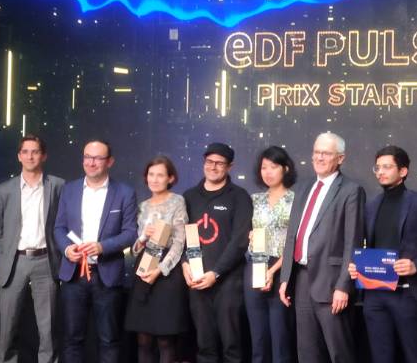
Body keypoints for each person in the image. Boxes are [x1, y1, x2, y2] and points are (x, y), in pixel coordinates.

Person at [348, 145, 417, 363]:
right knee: (380, 356)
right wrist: (356, 265)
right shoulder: (371, 205)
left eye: (387, 167)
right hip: (374, 293)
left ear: (403, 171)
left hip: (408, 293)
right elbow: (366, 245)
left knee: (415, 356)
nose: (380, 172)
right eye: (377, 167)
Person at [279, 132, 365, 363]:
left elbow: (353, 242)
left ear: (340, 158)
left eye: (326, 153)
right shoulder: (302, 188)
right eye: (316, 152)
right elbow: (292, 236)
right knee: (307, 352)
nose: (319, 157)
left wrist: (343, 286)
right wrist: (285, 277)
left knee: (339, 352)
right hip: (301, 280)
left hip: (331, 284)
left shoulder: (351, 190)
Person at [54, 139, 138, 363]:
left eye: (98, 158)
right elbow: (59, 228)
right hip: (73, 275)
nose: (91, 163)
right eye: (87, 157)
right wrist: (66, 249)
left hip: (106, 275)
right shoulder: (69, 189)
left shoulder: (125, 193)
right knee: (72, 339)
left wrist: (102, 247)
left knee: (109, 340)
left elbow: (131, 233)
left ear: (110, 161)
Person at [0, 134, 64, 363]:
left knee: (48, 328)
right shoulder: (4, 190)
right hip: (15, 262)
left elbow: (64, 222)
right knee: (8, 326)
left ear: (43, 156)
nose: (30, 156)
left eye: (35, 152)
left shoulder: (57, 185)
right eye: (25, 152)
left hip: (46, 261)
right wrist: (7, 251)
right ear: (19, 156)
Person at [181, 142, 253, 363]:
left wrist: (216, 272)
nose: (213, 167)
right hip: (196, 280)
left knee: (231, 344)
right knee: (204, 345)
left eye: (219, 163)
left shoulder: (239, 196)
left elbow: (240, 240)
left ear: (229, 167)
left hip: (228, 281)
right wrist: (184, 264)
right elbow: (180, 236)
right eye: (209, 162)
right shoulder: (189, 196)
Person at [124, 156, 189, 363]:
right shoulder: (142, 206)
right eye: (151, 175)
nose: (155, 179)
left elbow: (179, 242)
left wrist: (160, 270)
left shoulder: (177, 201)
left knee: (165, 340)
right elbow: (135, 250)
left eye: (160, 175)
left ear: (170, 178)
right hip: (144, 269)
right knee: (143, 339)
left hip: (167, 273)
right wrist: (143, 237)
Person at [244, 146, 297, 363]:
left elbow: (296, 242)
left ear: (285, 169)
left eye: (273, 167)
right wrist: (248, 235)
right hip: (255, 265)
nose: (268, 172)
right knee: (258, 336)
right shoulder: (254, 199)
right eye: (264, 167)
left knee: (280, 335)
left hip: (284, 267)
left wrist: (273, 271)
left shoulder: (296, 200)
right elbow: (247, 233)